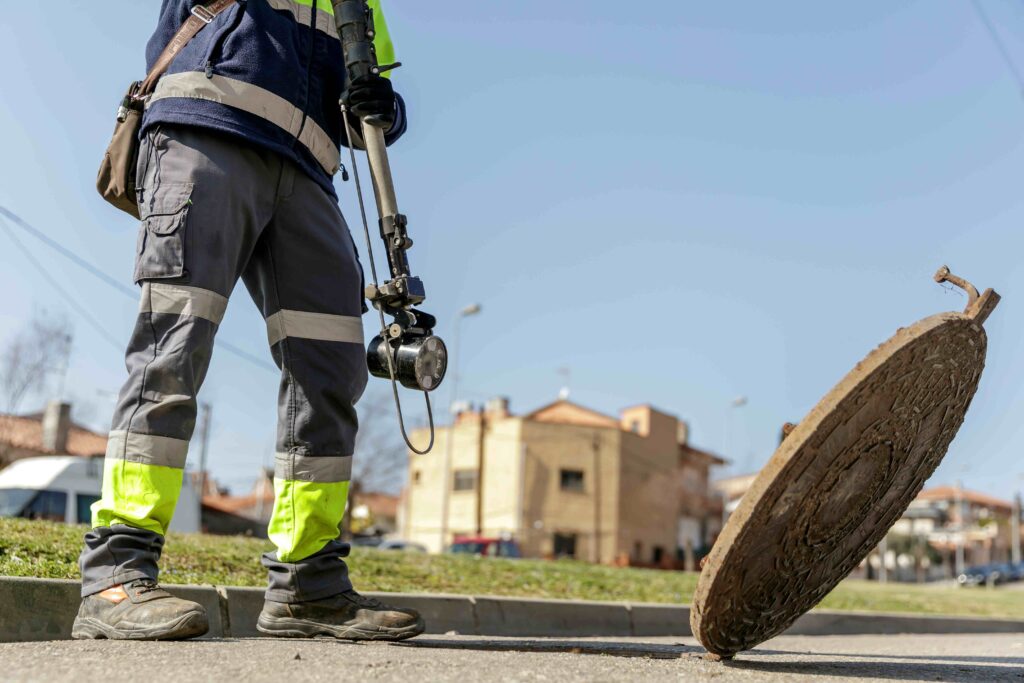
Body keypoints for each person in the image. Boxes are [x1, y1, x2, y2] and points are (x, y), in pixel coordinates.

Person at [73, 0, 424, 642]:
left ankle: (308, 586)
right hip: (205, 129)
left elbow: (370, 107)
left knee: (332, 368)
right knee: (172, 347)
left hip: (308, 169)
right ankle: (115, 574)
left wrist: (382, 104)